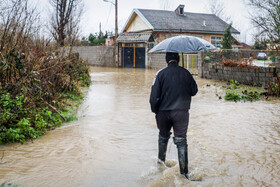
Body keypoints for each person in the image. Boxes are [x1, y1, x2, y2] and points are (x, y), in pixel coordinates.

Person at [149, 52, 198, 179]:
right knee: (181, 141)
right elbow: (194, 91)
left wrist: (156, 111)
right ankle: (184, 174)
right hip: (181, 112)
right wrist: (188, 77)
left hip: (163, 113)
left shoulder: (160, 74)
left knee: (163, 137)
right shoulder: (187, 73)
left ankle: (161, 165)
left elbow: (153, 97)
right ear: (178, 59)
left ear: (167, 60)